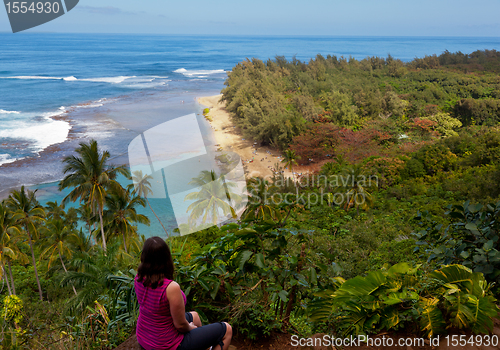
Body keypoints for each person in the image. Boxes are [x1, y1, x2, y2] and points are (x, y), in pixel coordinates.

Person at [135, 236, 232, 350]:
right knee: (227, 329)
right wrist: (191, 328)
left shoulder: (139, 277)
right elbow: (180, 325)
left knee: (195, 316)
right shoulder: (170, 287)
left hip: (144, 337)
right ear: (167, 258)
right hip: (165, 345)